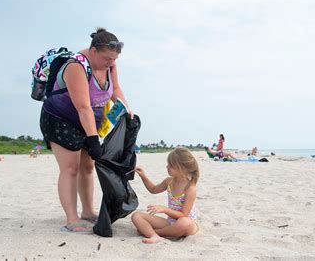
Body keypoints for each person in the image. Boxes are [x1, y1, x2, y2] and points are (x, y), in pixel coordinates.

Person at [39, 28, 133, 233]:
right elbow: (83, 107)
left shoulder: (110, 64)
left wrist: (126, 109)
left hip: (89, 119)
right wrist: (93, 140)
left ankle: (88, 211)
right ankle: (71, 219)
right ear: (93, 51)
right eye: (107, 58)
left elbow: (115, 90)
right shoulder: (76, 66)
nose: (110, 62)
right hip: (60, 119)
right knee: (70, 168)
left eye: (114, 59)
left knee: (88, 167)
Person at [131, 147, 200, 243]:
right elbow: (153, 189)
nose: (167, 167)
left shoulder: (190, 188)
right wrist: (143, 176)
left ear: (182, 168)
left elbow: (183, 215)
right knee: (136, 216)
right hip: (170, 222)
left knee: (184, 222)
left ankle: (153, 232)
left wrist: (164, 209)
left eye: (171, 165)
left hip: (188, 224)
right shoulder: (169, 181)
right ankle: (154, 236)